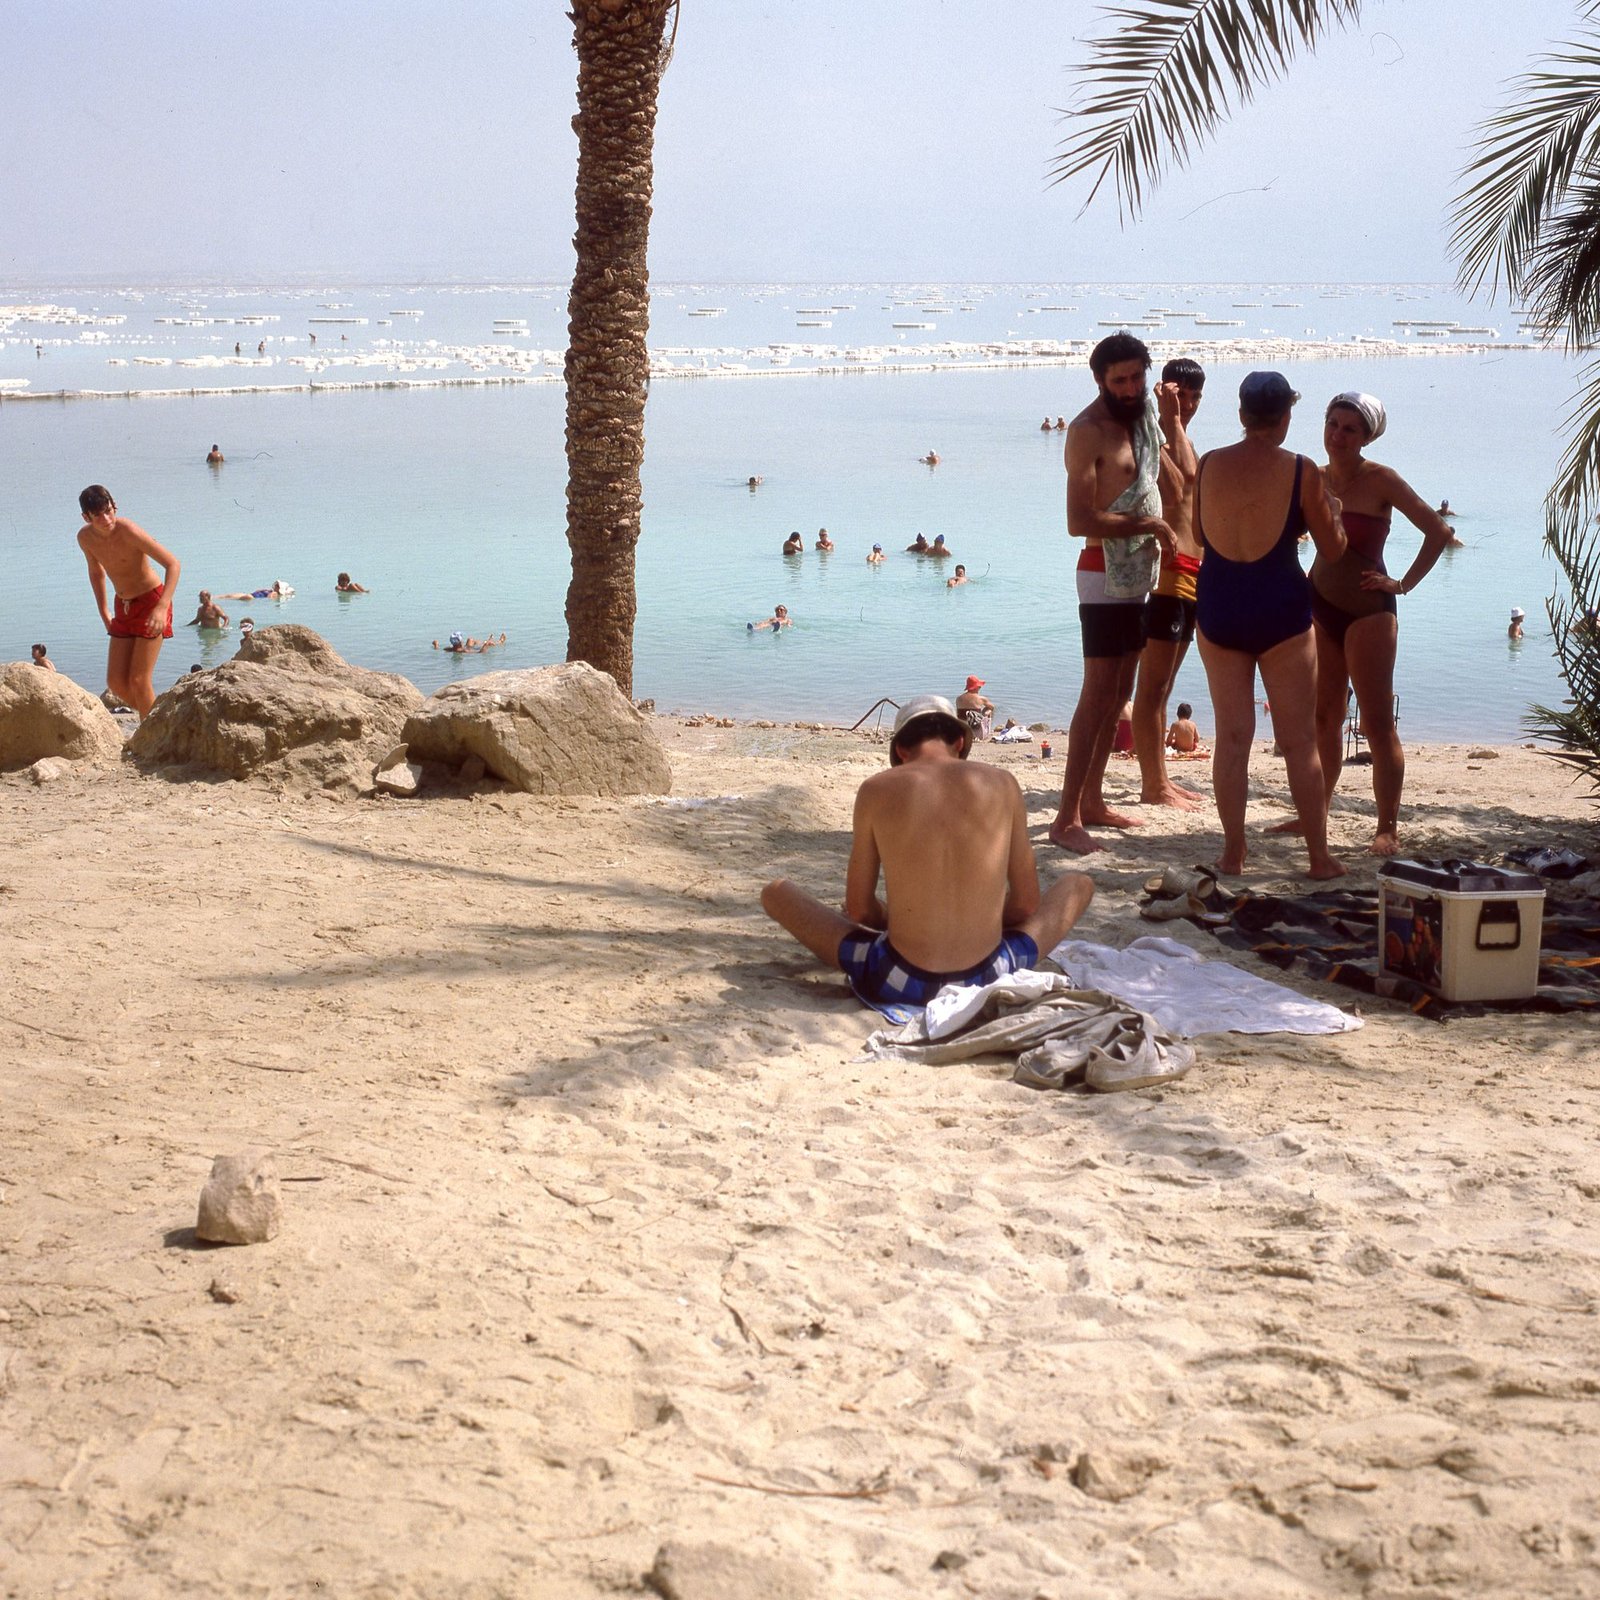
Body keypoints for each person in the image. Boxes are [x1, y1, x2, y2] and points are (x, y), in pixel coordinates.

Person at [760, 695, 1094, 1016]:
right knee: (1078, 884)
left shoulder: (875, 790)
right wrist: (979, 922)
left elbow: (859, 909)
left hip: (898, 978)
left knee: (775, 893)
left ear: (901, 750)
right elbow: (1026, 905)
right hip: (989, 976)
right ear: (960, 742)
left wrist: (905, 920)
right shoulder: (1003, 783)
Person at [1192, 372, 1346, 879]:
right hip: (1280, 607)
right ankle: (1319, 858)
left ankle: (1233, 852)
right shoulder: (1301, 469)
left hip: (1220, 603)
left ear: (1242, 415)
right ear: (1285, 418)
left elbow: (1199, 533)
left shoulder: (1209, 463)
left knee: (1232, 737)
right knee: (1299, 741)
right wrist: (1334, 513)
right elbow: (1333, 549)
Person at [1304, 391, 1454, 858]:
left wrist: (1402, 584)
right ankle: (1316, 811)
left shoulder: (1381, 479)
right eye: (1333, 423)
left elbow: (1438, 532)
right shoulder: (1312, 478)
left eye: (1350, 428)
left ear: (1367, 437)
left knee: (1376, 723)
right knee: (1324, 717)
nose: (1338, 435)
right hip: (1318, 605)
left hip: (1369, 612)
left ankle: (1387, 827)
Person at [1048, 333, 1176, 853]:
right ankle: (1065, 818)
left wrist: (1174, 421)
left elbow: (1179, 481)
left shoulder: (1144, 417)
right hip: (1102, 571)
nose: (1129, 387)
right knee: (1098, 693)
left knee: (1121, 690)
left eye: (1136, 376)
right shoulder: (1087, 431)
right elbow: (1078, 520)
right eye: (1119, 379)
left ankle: (1094, 800)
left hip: (1137, 574)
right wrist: (1149, 523)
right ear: (1100, 380)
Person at [1131, 357, 1207, 810]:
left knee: (1165, 688)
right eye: (1183, 396)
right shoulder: (1151, 437)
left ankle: (1161, 778)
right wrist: (1170, 417)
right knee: (1153, 688)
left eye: (1196, 397)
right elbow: (1185, 482)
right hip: (1169, 577)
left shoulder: (1182, 439)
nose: (1189, 405)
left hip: (1194, 576)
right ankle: (1153, 784)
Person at [75, 485, 181, 719]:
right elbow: (96, 573)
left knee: (139, 680)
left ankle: (152, 728)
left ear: (114, 506)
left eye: (108, 511)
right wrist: (104, 612)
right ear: (86, 517)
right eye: (98, 515)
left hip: (152, 602)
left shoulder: (128, 530)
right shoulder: (85, 538)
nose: (106, 519)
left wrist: (162, 607)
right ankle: (160, 720)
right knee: (116, 682)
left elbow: (173, 564)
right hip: (122, 606)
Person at [956, 675, 994, 742]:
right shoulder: (981, 699)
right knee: (989, 709)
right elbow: (992, 707)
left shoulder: (959, 699)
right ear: (976, 687)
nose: (980, 688)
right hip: (977, 732)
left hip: (962, 731)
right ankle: (987, 729)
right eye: (979, 686)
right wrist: (984, 713)